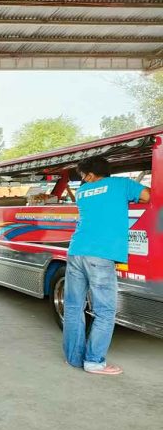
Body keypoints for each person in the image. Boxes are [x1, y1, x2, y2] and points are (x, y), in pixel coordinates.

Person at [63, 156, 151, 375]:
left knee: (74, 307)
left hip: (76, 252)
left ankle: (74, 358)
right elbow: (148, 196)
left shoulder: (83, 193)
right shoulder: (121, 185)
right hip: (100, 256)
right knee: (105, 311)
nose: (83, 180)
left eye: (83, 175)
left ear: (91, 174)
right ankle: (94, 361)